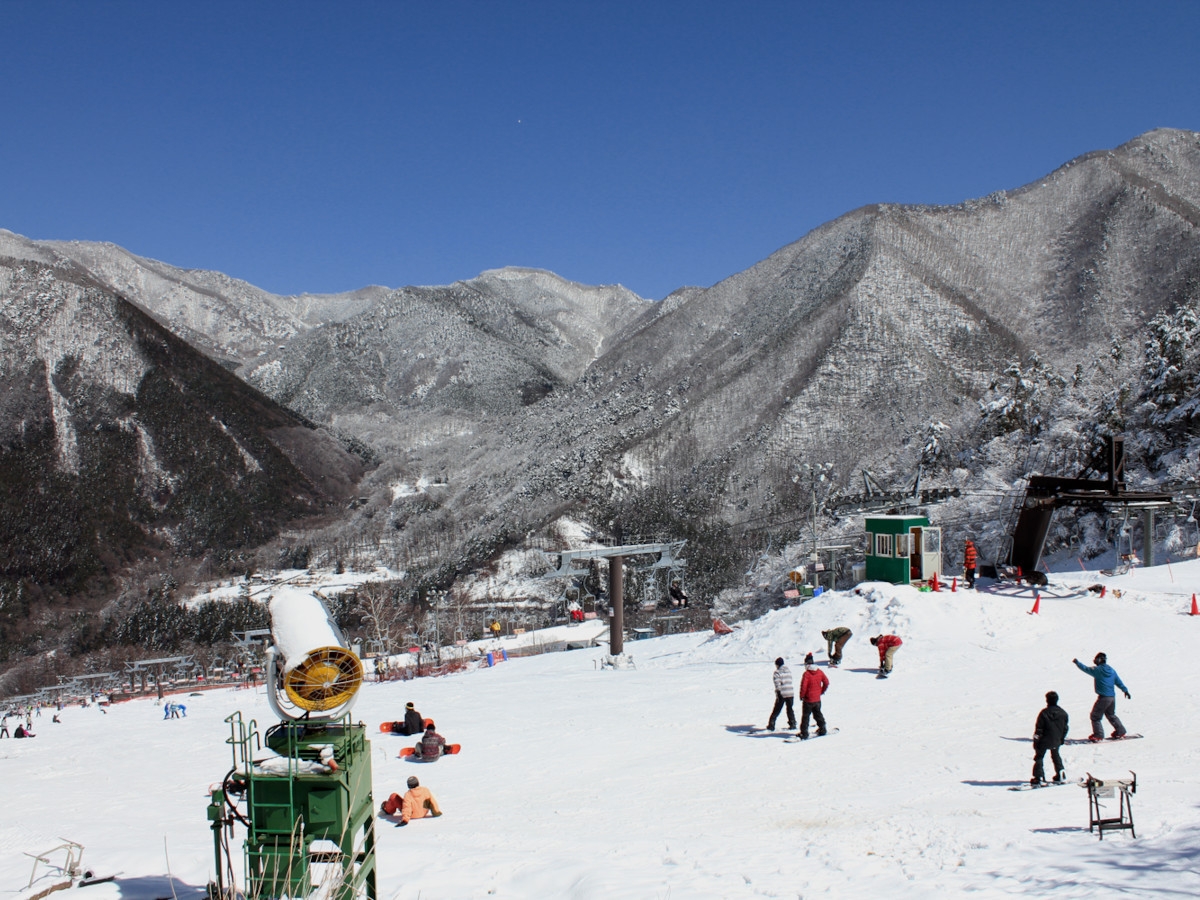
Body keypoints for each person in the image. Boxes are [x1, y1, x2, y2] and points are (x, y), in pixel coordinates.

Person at [1073, 652, 1129, 741]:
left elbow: (1086, 669)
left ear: (1099, 660)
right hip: (1112, 697)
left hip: (1104, 697)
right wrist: (1125, 690)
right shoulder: (1111, 670)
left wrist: (1077, 663)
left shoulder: (1097, 670)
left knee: (1095, 716)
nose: (1094, 661)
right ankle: (1120, 731)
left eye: (1096, 659)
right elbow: (1118, 681)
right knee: (1111, 714)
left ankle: (1098, 735)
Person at [1031, 690, 1069, 785]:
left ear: (1047, 700)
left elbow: (1039, 729)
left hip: (1044, 740)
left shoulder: (1044, 713)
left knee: (1039, 756)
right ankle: (1060, 773)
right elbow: (1065, 728)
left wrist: (1036, 741)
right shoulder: (1063, 713)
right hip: (1056, 740)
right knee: (1055, 755)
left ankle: (1038, 777)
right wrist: (1061, 739)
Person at [797, 652, 830, 739]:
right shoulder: (819, 671)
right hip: (817, 699)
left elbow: (803, 686)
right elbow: (826, 682)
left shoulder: (807, 674)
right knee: (818, 714)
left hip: (808, 700)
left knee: (805, 717)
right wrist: (821, 691)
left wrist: (802, 695)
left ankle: (804, 733)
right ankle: (823, 729)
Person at [766, 658, 797, 731]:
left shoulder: (777, 672)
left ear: (777, 664)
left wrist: (778, 692)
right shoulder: (788, 671)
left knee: (777, 709)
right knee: (790, 709)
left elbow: (777, 684)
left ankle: (771, 725)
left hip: (782, 693)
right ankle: (792, 723)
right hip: (790, 692)